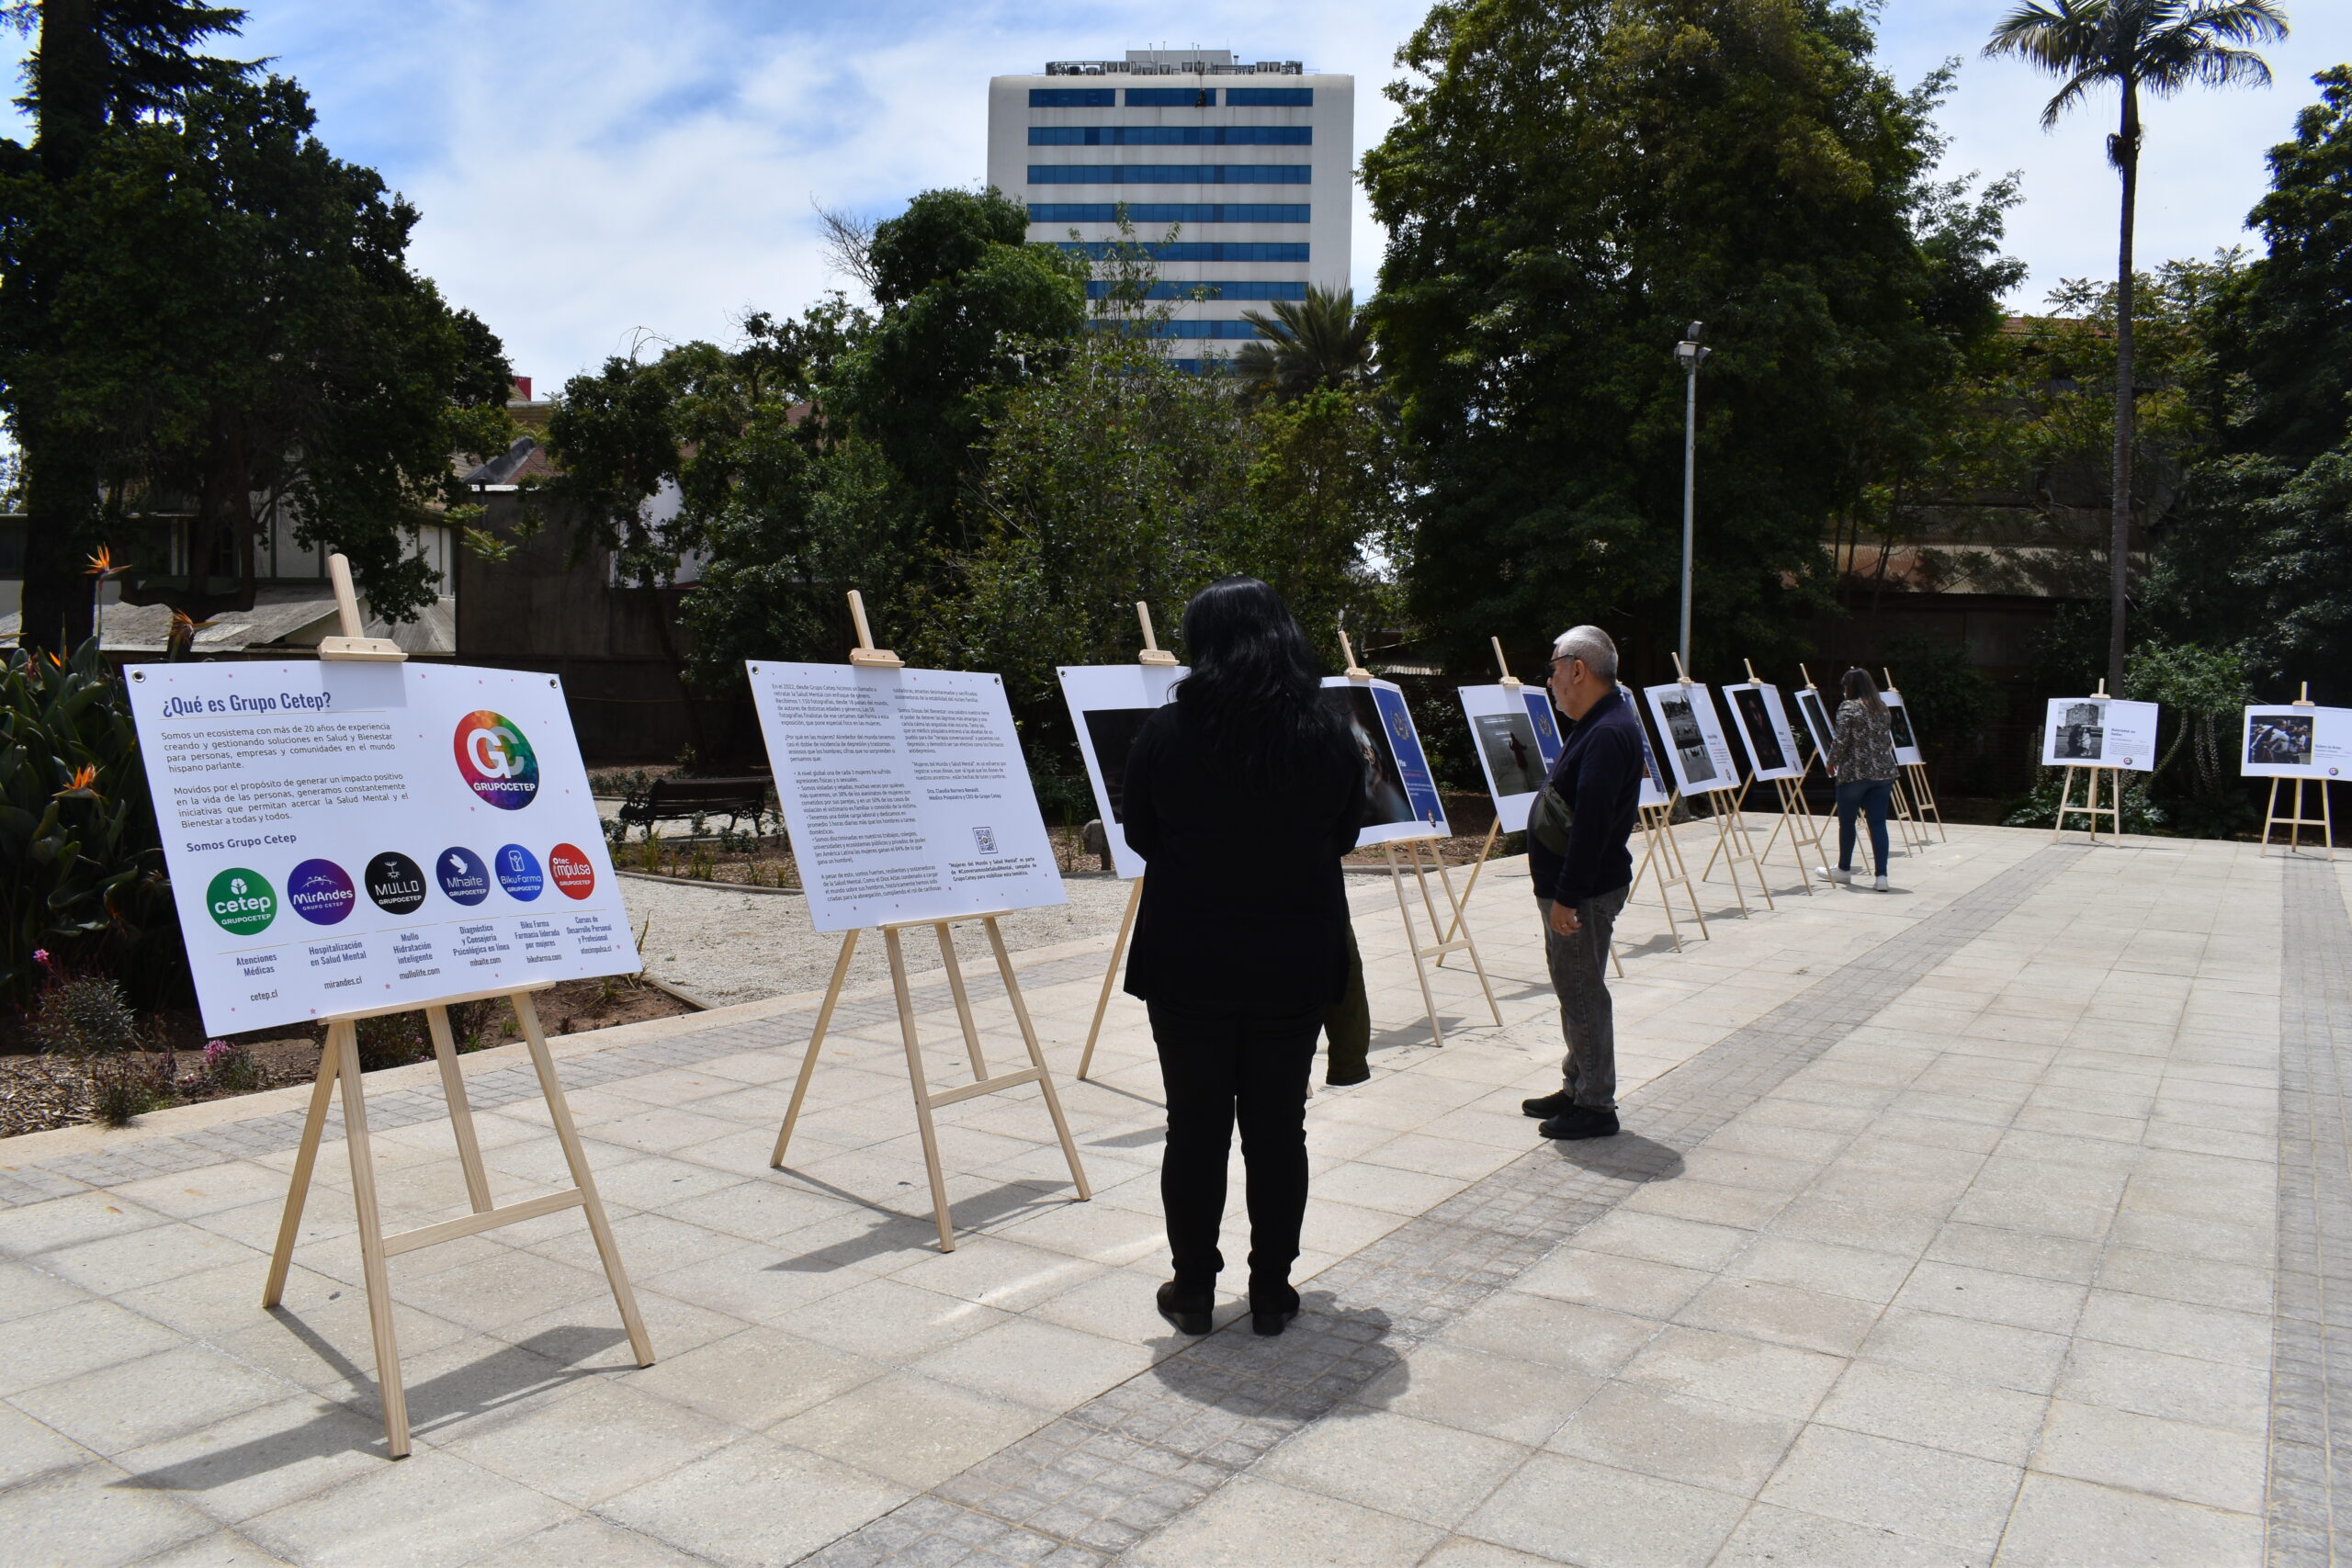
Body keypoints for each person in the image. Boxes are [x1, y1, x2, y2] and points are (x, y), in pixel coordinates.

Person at [1120, 577, 1365, 1338]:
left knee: (1192, 1125)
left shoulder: (1166, 733)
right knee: (1276, 1127)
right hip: (1292, 960)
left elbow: (1138, 834)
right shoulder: (1328, 734)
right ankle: (1271, 1290)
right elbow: (1346, 836)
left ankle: (1193, 1287)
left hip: (1189, 959)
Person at [1518, 626, 1644, 1141]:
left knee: (1583, 992)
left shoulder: (1608, 730)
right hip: (1580, 889)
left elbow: (1591, 825)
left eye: (1552, 670)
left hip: (1583, 893)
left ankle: (1595, 1103)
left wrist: (1566, 897)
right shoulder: (1602, 722)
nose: (1549, 681)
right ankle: (1577, 1085)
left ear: (1577, 669)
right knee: (1574, 988)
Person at [1820, 666, 1898, 890]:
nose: (1844, 690)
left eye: (1845, 686)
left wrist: (1831, 760)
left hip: (1856, 773)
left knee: (1847, 822)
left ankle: (1844, 869)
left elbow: (1842, 739)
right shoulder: (1882, 708)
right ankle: (1881, 876)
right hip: (1883, 773)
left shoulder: (1849, 707)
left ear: (1850, 687)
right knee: (1878, 823)